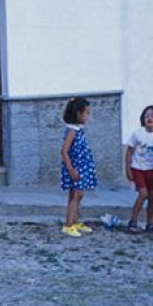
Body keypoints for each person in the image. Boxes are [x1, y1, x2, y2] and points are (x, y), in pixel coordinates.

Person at [123, 104, 153, 233]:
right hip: (137, 168)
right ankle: (133, 221)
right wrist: (128, 169)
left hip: (151, 170)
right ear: (143, 118)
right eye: (147, 115)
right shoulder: (137, 134)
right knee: (143, 194)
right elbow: (129, 151)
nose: (149, 118)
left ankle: (150, 223)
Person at [59, 97, 97, 237]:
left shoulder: (78, 129)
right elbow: (64, 150)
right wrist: (71, 169)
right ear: (77, 114)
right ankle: (68, 225)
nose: (88, 116)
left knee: (79, 194)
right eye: (86, 113)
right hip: (76, 167)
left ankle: (75, 221)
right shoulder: (72, 130)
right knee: (75, 195)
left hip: (82, 166)